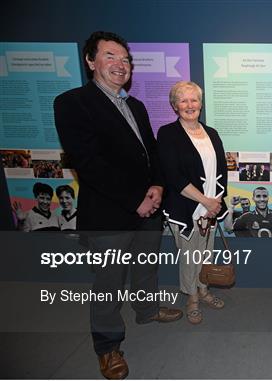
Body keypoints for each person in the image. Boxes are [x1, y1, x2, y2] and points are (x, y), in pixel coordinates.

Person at [54, 31, 182, 379]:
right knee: (108, 282)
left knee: (145, 267)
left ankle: (147, 310)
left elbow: (151, 152)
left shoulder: (135, 106)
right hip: (110, 213)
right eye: (110, 56)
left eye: (125, 59)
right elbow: (89, 163)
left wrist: (156, 186)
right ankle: (108, 347)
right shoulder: (72, 103)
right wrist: (133, 200)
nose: (120, 64)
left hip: (148, 210)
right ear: (91, 62)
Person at [157, 81, 228, 325]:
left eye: (194, 100)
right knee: (189, 256)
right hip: (186, 208)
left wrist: (216, 201)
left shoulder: (213, 133)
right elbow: (173, 175)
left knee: (206, 253)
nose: (190, 105)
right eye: (183, 100)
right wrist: (205, 201)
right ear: (175, 106)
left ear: (201, 103)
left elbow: (222, 169)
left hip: (211, 207)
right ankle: (192, 299)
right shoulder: (167, 133)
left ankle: (204, 290)